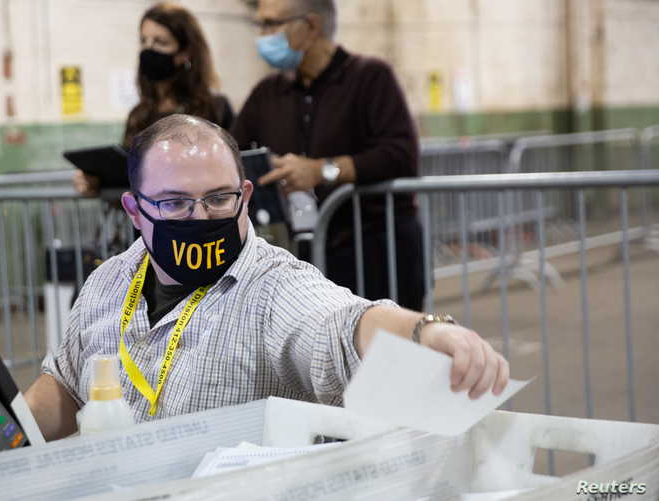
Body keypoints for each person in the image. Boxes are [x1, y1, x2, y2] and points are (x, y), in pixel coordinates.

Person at [25, 115, 509, 440]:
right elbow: (67, 384)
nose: (198, 218)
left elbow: (341, 323)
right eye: (174, 203)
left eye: (218, 198)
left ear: (246, 194)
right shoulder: (108, 282)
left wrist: (426, 330)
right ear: (133, 210)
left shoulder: (273, 286)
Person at [230, 0, 425, 310]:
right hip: (306, 261)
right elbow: (231, 151)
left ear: (310, 26)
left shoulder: (370, 78)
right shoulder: (267, 93)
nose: (263, 35)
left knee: (388, 354)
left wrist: (322, 171)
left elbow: (400, 154)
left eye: (271, 24)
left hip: (377, 255)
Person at [73, 2, 233, 195]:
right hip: (148, 223)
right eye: (144, 41)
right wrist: (98, 184)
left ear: (185, 53)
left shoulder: (213, 108)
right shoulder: (139, 114)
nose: (148, 49)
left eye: (160, 42)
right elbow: (130, 182)